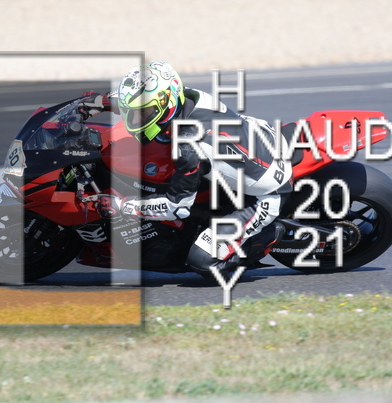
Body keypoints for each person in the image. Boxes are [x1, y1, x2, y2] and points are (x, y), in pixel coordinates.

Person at [79, 61, 292, 278]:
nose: (134, 120)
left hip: (266, 194)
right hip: (257, 139)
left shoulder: (189, 148)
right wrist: (94, 103)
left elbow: (176, 208)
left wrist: (122, 206)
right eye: (133, 113)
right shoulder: (184, 96)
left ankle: (268, 233)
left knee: (202, 261)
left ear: (165, 104)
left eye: (143, 113)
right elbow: (133, 99)